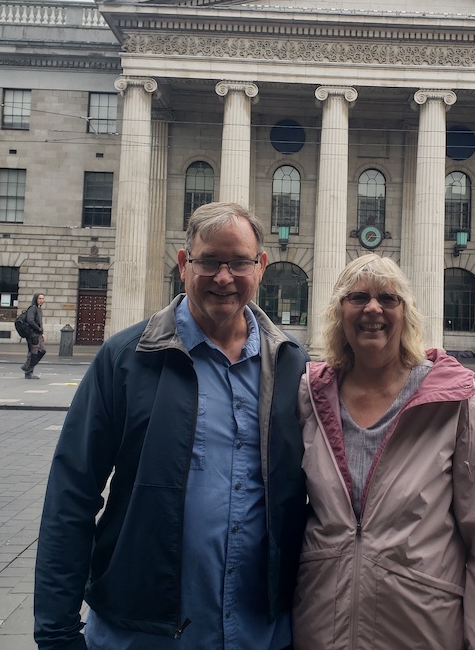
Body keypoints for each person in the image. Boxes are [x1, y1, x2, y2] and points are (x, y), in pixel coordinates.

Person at [34, 202, 309, 650]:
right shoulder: (126, 358)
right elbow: (71, 495)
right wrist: (56, 633)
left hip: (260, 634)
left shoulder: (292, 365)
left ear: (260, 266)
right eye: (208, 262)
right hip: (141, 635)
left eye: (239, 262)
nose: (224, 277)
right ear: (184, 264)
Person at [292, 254, 475, 650]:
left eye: (388, 299)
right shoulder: (311, 394)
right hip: (323, 626)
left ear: (406, 313)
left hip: (421, 628)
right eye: (358, 297)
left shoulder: (456, 399)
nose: (372, 308)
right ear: (339, 312)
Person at [21, 293, 45, 380]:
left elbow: (39, 322)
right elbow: (30, 321)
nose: (41, 300)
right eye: (39, 298)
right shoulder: (32, 308)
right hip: (33, 334)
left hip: (38, 334)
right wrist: (38, 329)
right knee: (33, 353)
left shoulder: (39, 309)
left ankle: (27, 366)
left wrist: (42, 333)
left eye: (42, 298)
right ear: (36, 299)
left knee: (42, 350)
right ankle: (28, 372)